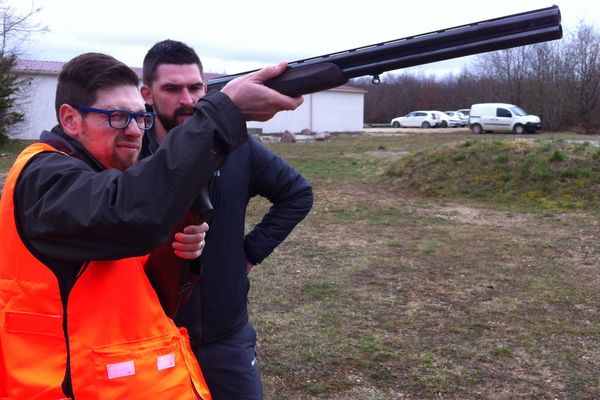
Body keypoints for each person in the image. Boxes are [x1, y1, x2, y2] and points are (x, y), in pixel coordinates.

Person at [0, 52, 302, 399]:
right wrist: (224, 112)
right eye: (116, 117)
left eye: (138, 118)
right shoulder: (45, 176)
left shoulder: (101, 175)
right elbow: (130, 216)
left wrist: (169, 253)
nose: (132, 131)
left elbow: (119, 280)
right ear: (70, 119)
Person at [141, 39, 313, 399]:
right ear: (147, 93)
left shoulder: (239, 147)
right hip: (148, 337)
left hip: (225, 334)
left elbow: (296, 193)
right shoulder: (132, 155)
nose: (187, 99)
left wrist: (248, 253)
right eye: (172, 89)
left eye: (195, 87)